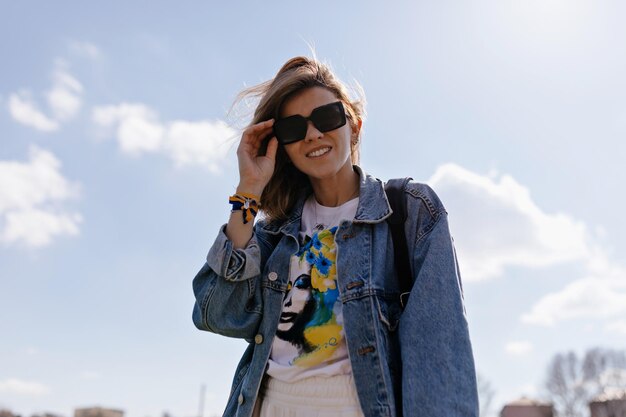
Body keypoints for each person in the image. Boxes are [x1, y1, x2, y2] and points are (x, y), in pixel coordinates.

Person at [192, 55, 479, 417]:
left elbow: (439, 349)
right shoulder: (271, 233)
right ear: (282, 147)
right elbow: (219, 315)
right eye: (294, 129)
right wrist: (247, 192)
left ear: (354, 126)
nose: (313, 134)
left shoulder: (410, 212)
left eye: (327, 118)